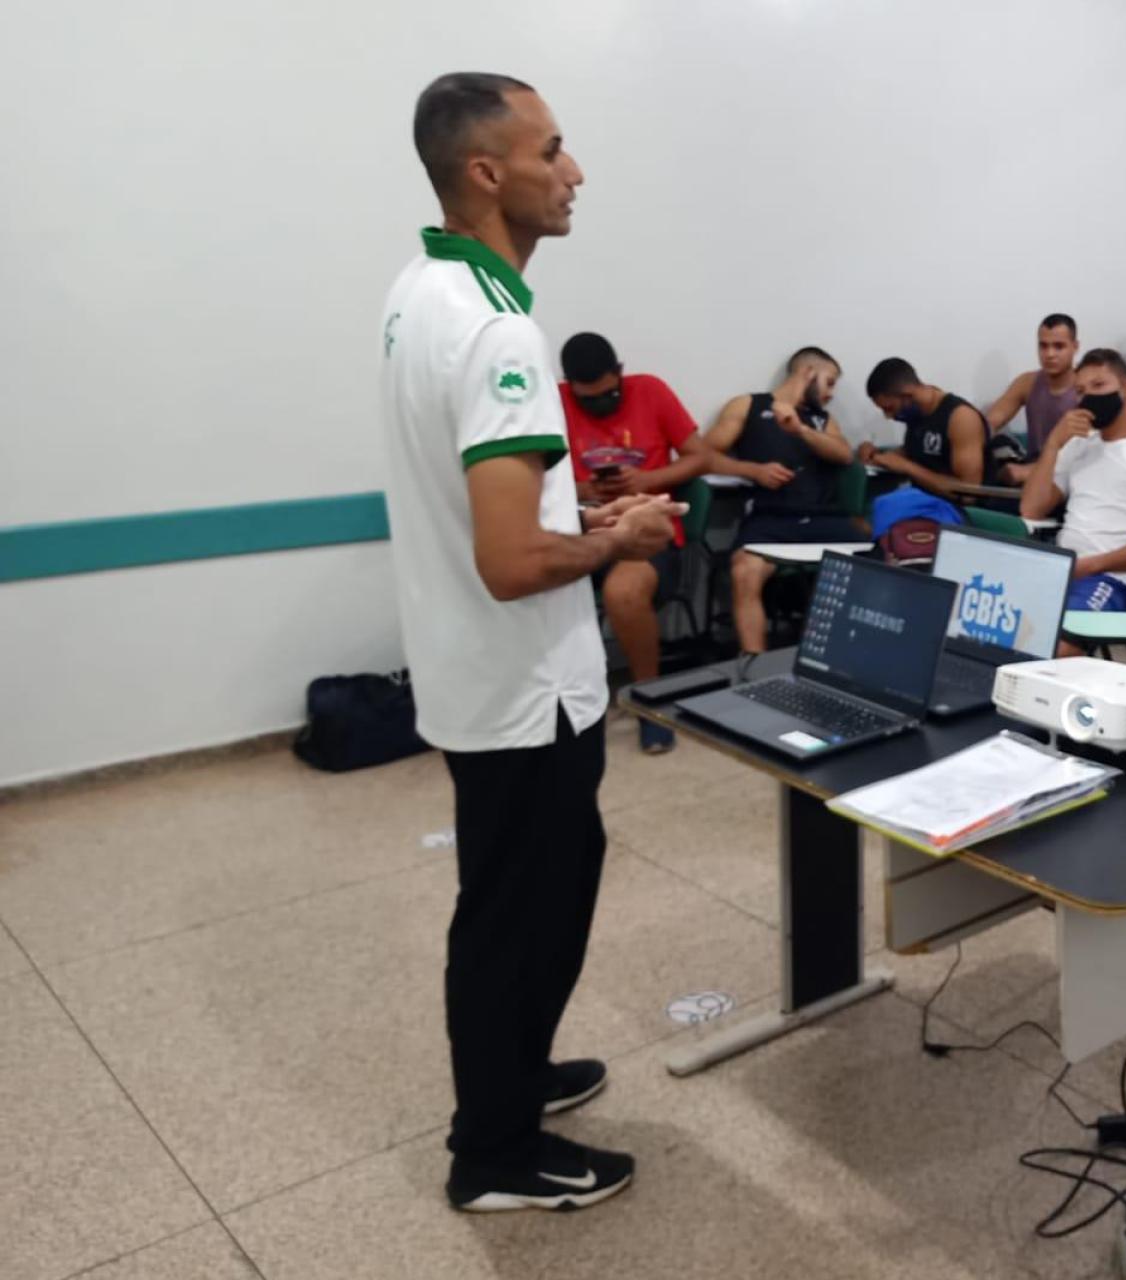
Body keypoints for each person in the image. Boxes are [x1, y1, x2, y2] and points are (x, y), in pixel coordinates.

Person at [383, 72, 679, 1213]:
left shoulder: (420, 291)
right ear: (486, 173)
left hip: (475, 676)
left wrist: (581, 522)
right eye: (554, 150)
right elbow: (509, 566)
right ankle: (495, 1150)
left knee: (511, 894)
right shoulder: (502, 329)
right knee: (526, 908)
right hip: (522, 688)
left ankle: (513, 1078)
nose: (577, 172)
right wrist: (627, 538)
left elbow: (498, 518)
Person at [558, 332, 714, 754]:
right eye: (587, 398)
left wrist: (645, 481)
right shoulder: (552, 403)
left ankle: (649, 700)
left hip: (648, 535)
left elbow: (702, 457)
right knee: (522, 574)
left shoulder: (650, 391)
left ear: (620, 374)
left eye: (609, 394)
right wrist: (584, 488)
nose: (599, 405)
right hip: (583, 526)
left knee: (623, 592)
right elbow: (534, 482)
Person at [1019, 349, 1126, 634]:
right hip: (1062, 569)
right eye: (1080, 391)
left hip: (1114, 578)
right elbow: (1031, 509)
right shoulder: (1078, 444)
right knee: (999, 625)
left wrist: (1089, 566)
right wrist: (1052, 445)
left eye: (1099, 386)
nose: (1088, 398)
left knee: (1055, 639)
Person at [704, 348, 863, 653]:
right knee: (744, 572)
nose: (831, 395)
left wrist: (801, 430)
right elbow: (702, 456)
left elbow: (844, 455)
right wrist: (751, 469)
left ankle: (849, 660)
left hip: (823, 519)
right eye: (829, 383)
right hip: (770, 519)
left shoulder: (821, 420)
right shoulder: (748, 405)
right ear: (808, 372)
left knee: (880, 565)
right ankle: (754, 667)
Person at [859, 358, 987, 498]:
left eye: (890, 408)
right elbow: (922, 453)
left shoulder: (961, 418)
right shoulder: (918, 413)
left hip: (961, 512)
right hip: (923, 499)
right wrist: (876, 457)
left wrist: (907, 467)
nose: (888, 416)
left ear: (907, 394)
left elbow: (969, 493)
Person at [987, 314, 1081, 481]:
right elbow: (990, 422)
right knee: (993, 445)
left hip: (1066, 474)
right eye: (1043, 346)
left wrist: (1027, 472)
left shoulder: (1085, 389)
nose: (1050, 354)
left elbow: (1087, 455)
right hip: (1031, 464)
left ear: (1075, 347)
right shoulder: (1027, 382)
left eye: (1059, 346)